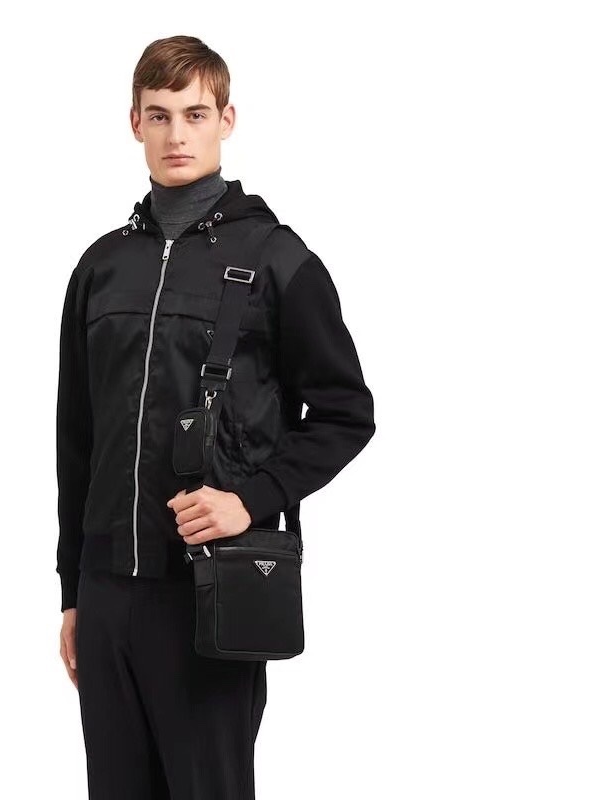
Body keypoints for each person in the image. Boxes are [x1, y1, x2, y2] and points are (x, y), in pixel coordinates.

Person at [55, 35, 375, 800]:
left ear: (226, 120)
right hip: (106, 593)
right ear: (134, 122)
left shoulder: (278, 260)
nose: (177, 134)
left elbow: (346, 413)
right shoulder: (101, 266)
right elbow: (76, 439)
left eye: (195, 114)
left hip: (210, 590)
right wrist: (72, 591)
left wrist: (250, 500)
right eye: (159, 115)